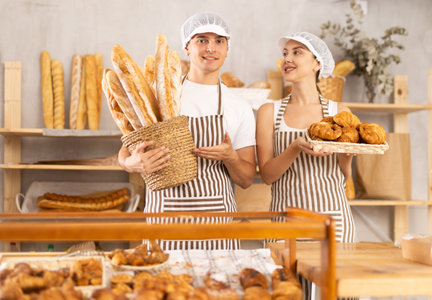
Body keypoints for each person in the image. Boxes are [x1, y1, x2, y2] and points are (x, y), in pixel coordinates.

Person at [118, 12, 256, 250]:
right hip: (164, 222)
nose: (211, 48)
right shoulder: (158, 97)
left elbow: (245, 179)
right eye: (202, 40)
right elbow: (124, 152)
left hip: (217, 227)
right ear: (187, 47)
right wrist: (131, 164)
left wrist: (230, 157)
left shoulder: (239, 106)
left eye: (219, 41)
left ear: (227, 48)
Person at [256, 32, 356, 297]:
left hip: (332, 222)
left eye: (297, 52)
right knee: (286, 294)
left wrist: (346, 156)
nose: (287, 59)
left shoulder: (339, 111)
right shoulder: (269, 111)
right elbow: (267, 175)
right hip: (284, 224)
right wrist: (294, 148)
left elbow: (345, 176)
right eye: (285, 54)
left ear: (317, 63)